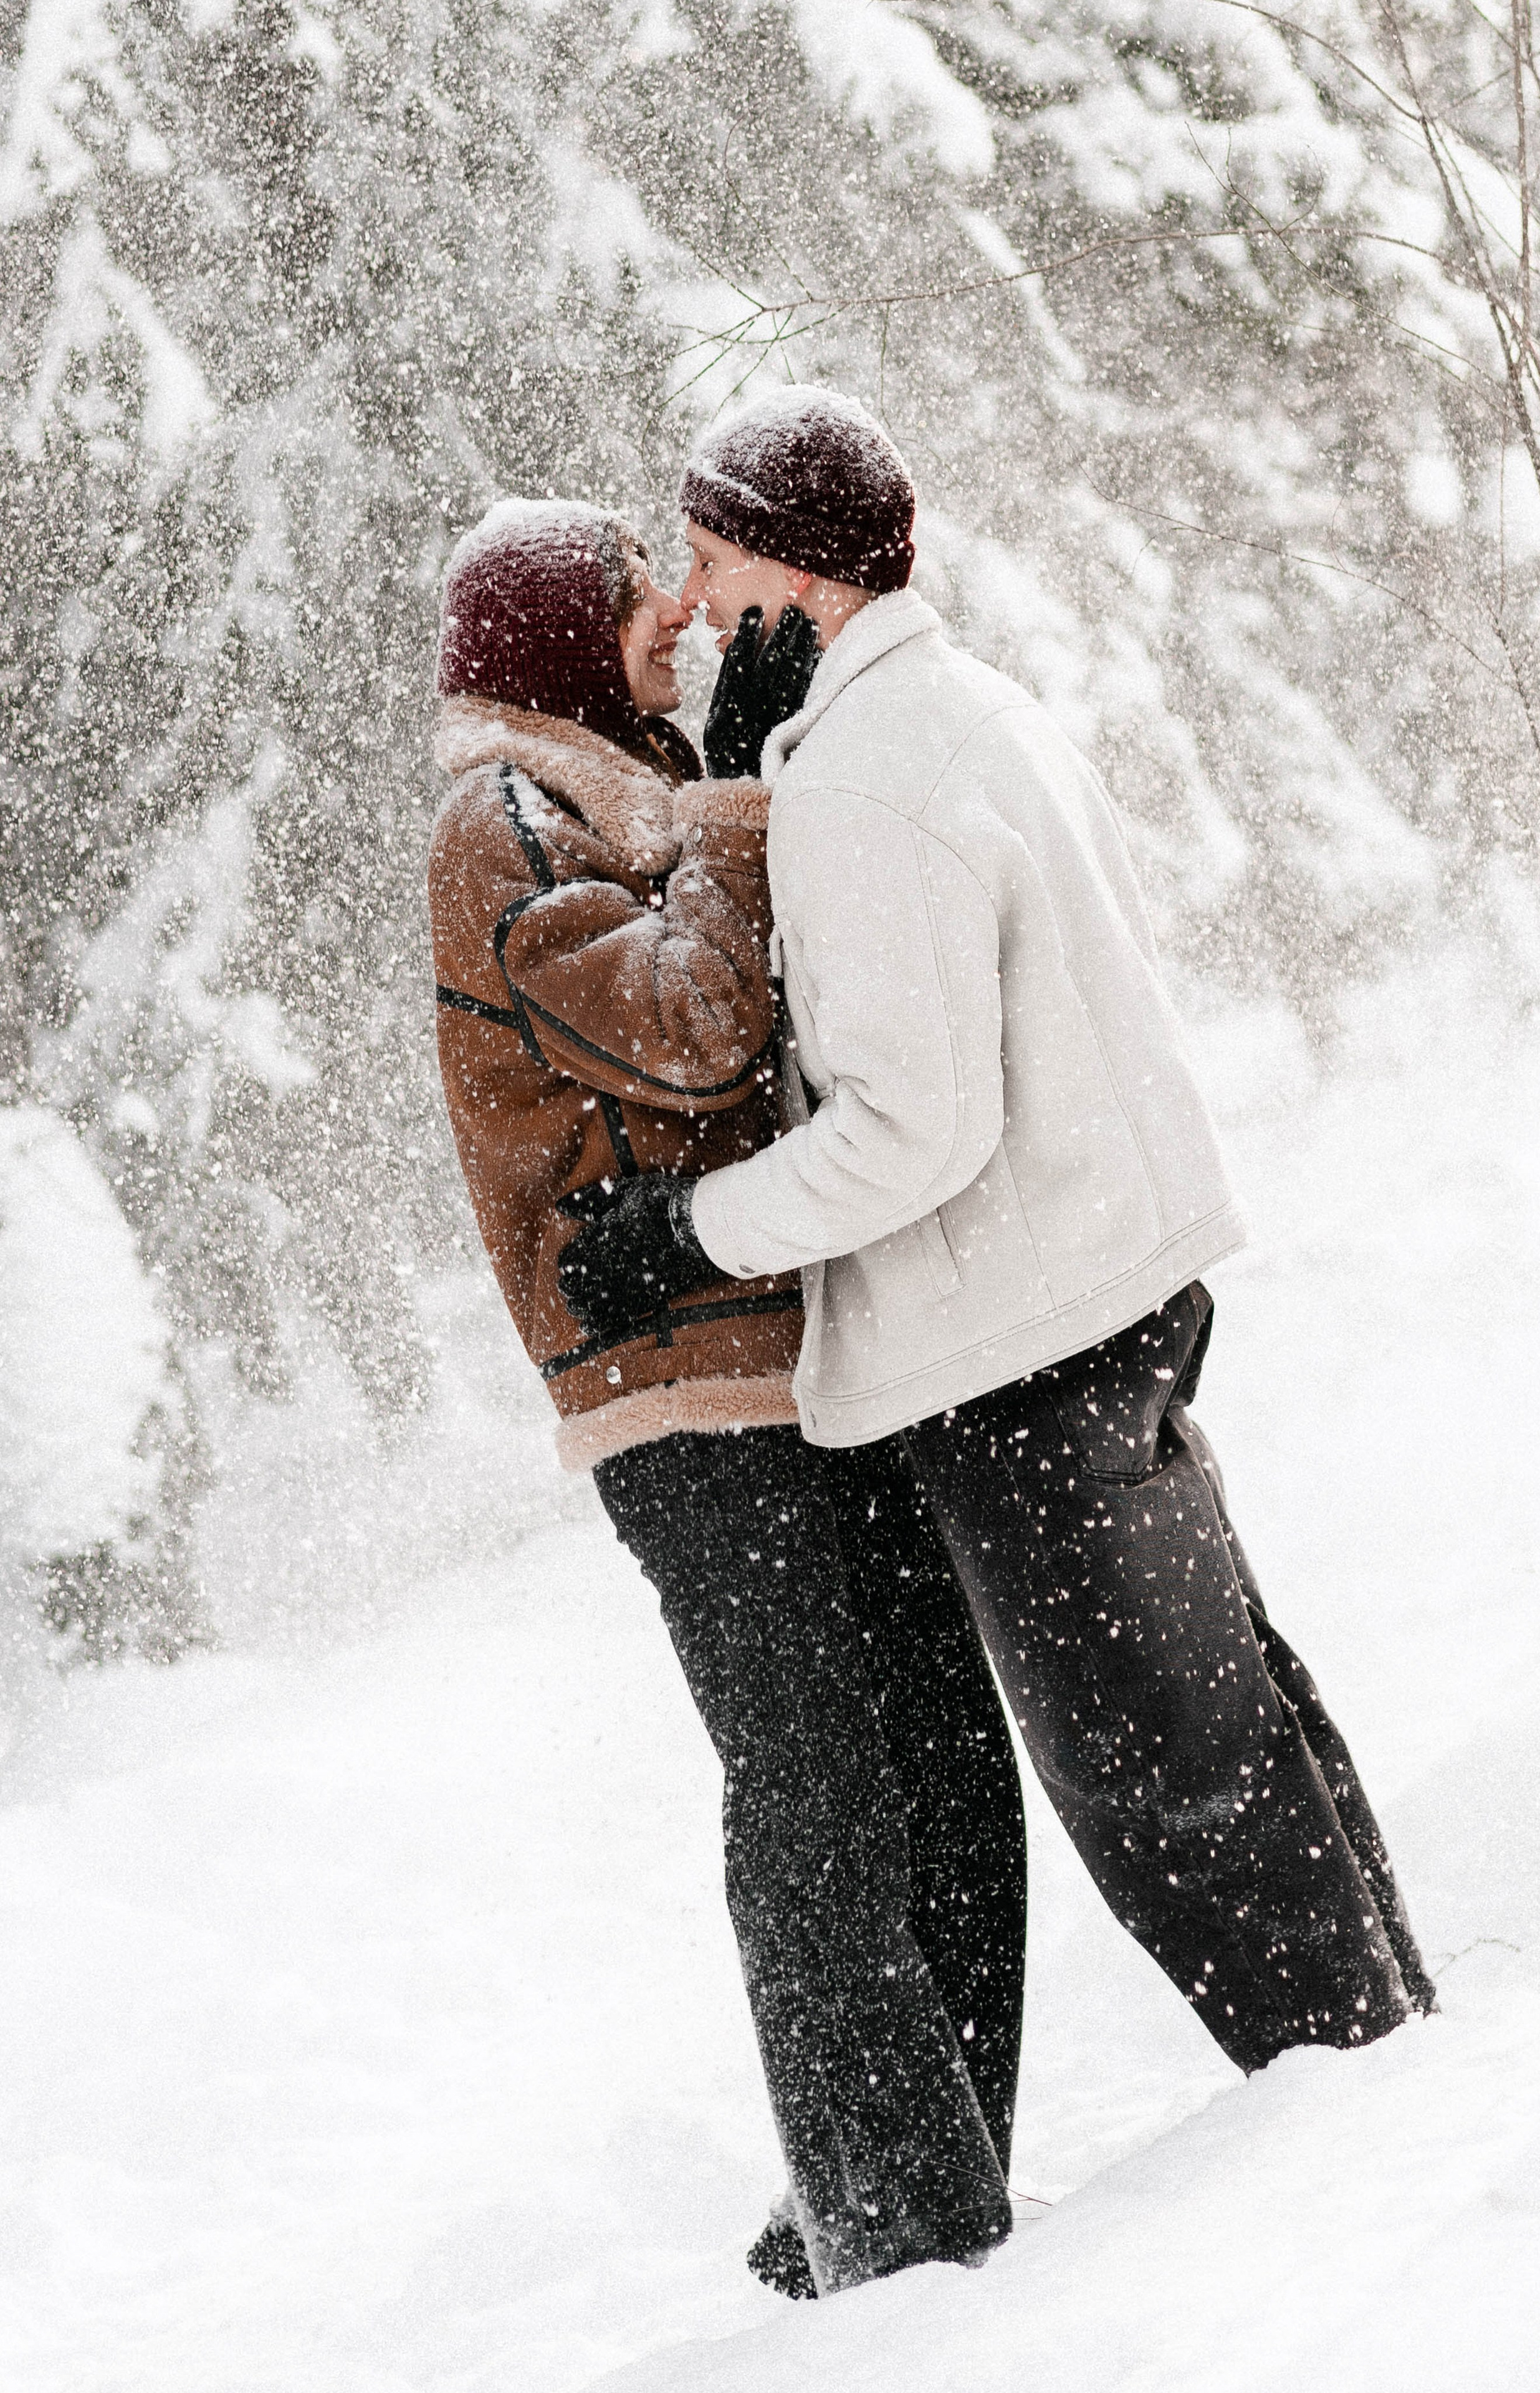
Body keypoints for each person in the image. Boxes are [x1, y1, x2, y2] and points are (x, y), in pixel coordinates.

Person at [558, 391, 1437, 2080]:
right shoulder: (961, 712)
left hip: (1023, 1341)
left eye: (716, 558)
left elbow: (915, 1125)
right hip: (1107, 1289)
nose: (696, 601)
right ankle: (1392, 2055)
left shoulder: (871, 784)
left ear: (803, 579)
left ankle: (1363, 2107)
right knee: (1233, 1719)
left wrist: (692, 1230)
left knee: (1167, 1779)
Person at [426, 499, 1027, 2299]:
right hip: (677, 1396)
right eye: (640, 600)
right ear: (553, 635)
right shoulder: (505, 822)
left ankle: (919, 2196)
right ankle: (893, 2230)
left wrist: (718, 793)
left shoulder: (627, 790)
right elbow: (690, 1024)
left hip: (788, 1355)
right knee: (822, 1788)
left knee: (940, 1763)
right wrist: (743, 803)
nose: (683, 617)